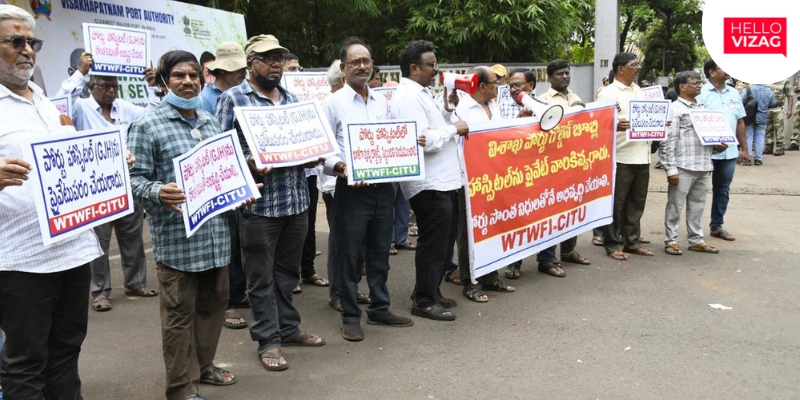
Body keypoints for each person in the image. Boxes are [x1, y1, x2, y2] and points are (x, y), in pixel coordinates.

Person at [0, 6, 104, 399]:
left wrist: (104, 158)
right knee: (26, 363)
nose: (28, 50)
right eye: (16, 41)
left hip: (73, 251)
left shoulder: (44, 100)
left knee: (66, 351)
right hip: (22, 262)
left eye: (33, 42)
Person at [128, 49, 239, 400]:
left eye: (194, 75)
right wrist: (158, 191)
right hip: (177, 242)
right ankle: (179, 388)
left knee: (212, 306)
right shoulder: (147, 125)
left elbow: (223, 172)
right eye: (179, 75)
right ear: (164, 82)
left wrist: (242, 190)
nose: (188, 81)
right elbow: (132, 178)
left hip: (215, 237)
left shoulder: (209, 121)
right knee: (178, 317)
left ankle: (204, 367)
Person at [216, 34, 325, 372]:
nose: (276, 64)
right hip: (259, 207)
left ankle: (288, 329)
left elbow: (307, 143)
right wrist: (249, 161)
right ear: (251, 63)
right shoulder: (233, 99)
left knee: (288, 273)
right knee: (260, 277)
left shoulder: (292, 99)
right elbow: (219, 150)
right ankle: (268, 340)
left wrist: (316, 149)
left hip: (296, 201)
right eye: (268, 58)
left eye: (279, 57)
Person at [323, 37, 414, 341]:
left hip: (382, 189)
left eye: (367, 61)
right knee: (349, 255)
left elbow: (391, 140)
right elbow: (323, 149)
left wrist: (411, 145)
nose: (362, 66)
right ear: (343, 67)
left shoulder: (382, 101)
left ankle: (380, 307)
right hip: (351, 190)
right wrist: (342, 167)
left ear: (373, 64)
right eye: (355, 62)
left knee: (379, 251)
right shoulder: (332, 103)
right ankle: (350, 315)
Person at [55, 52, 158, 312]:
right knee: (98, 241)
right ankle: (100, 291)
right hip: (96, 186)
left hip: (126, 182)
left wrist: (154, 86)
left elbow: (153, 114)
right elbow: (61, 102)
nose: (111, 90)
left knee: (132, 235)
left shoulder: (124, 107)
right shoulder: (81, 107)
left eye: (114, 85)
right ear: (92, 87)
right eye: (105, 85)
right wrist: (80, 72)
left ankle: (136, 282)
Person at [394, 40, 469, 321]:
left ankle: (430, 291)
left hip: (444, 181)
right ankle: (424, 300)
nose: (436, 70)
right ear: (414, 68)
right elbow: (422, 141)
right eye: (431, 65)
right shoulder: (407, 97)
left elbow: (432, 129)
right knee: (433, 243)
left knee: (443, 241)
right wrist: (455, 128)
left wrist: (447, 111)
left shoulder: (422, 94)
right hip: (429, 184)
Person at [451, 65, 516, 303]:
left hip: (494, 178)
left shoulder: (493, 106)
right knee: (469, 232)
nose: (498, 87)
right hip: (470, 180)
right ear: (481, 87)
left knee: (493, 227)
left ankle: (491, 277)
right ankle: (471, 282)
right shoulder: (460, 108)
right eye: (494, 84)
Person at [201, 42, 251, 329]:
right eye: (235, 69)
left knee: (239, 242)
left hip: (239, 178)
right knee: (226, 245)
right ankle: (228, 303)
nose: (240, 74)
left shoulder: (240, 95)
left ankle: (237, 293)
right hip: (219, 179)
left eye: (242, 68)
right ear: (221, 70)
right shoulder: (207, 99)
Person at [660, 71, 726, 256]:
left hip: (703, 165)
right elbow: (668, 141)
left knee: (697, 205)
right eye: (695, 83)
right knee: (675, 205)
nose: (699, 86)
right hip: (683, 166)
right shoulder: (674, 109)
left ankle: (696, 239)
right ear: (682, 86)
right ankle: (671, 240)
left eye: (700, 83)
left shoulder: (702, 108)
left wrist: (717, 147)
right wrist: (670, 168)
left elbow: (704, 138)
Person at [596, 53, 653, 261]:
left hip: (642, 155)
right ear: (621, 69)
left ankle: (632, 241)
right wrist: (615, 125)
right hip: (620, 155)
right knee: (616, 203)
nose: (638, 68)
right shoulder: (608, 93)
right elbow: (598, 125)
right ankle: (612, 243)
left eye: (638, 64)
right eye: (634, 65)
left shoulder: (640, 91)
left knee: (637, 202)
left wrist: (659, 124)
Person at [537, 59, 591, 275]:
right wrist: (570, 112)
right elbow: (543, 131)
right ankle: (547, 260)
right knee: (551, 213)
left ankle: (568, 252)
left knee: (572, 209)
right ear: (550, 78)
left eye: (567, 73)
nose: (565, 77)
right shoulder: (542, 100)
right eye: (559, 74)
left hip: (574, 163)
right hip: (552, 166)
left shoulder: (576, 98)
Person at [696, 59, 749, 242]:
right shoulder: (700, 93)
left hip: (729, 152)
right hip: (705, 152)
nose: (728, 70)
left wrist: (745, 150)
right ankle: (693, 228)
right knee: (697, 190)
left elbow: (740, 121)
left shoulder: (734, 93)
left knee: (723, 189)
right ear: (711, 72)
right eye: (722, 67)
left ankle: (717, 226)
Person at [200, 42, 247, 114]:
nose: (244, 72)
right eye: (239, 69)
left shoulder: (246, 91)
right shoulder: (205, 99)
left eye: (244, 68)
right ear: (222, 69)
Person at [740, 83, 775, 165]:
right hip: (763, 116)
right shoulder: (769, 91)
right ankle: (758, 159)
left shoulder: (748, 90)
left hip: (749, 116)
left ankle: (747, 158)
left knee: (748, 136)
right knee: (760, 137)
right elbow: (773, 103)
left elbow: (740, 101)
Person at [762, 80, 792, 156]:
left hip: (778, 108)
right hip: (767, 108)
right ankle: (769, 145)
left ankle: (780, 147)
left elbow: (790, 95)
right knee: (768, 128)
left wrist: (789, 109)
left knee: (779, 128)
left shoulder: (784, 81)